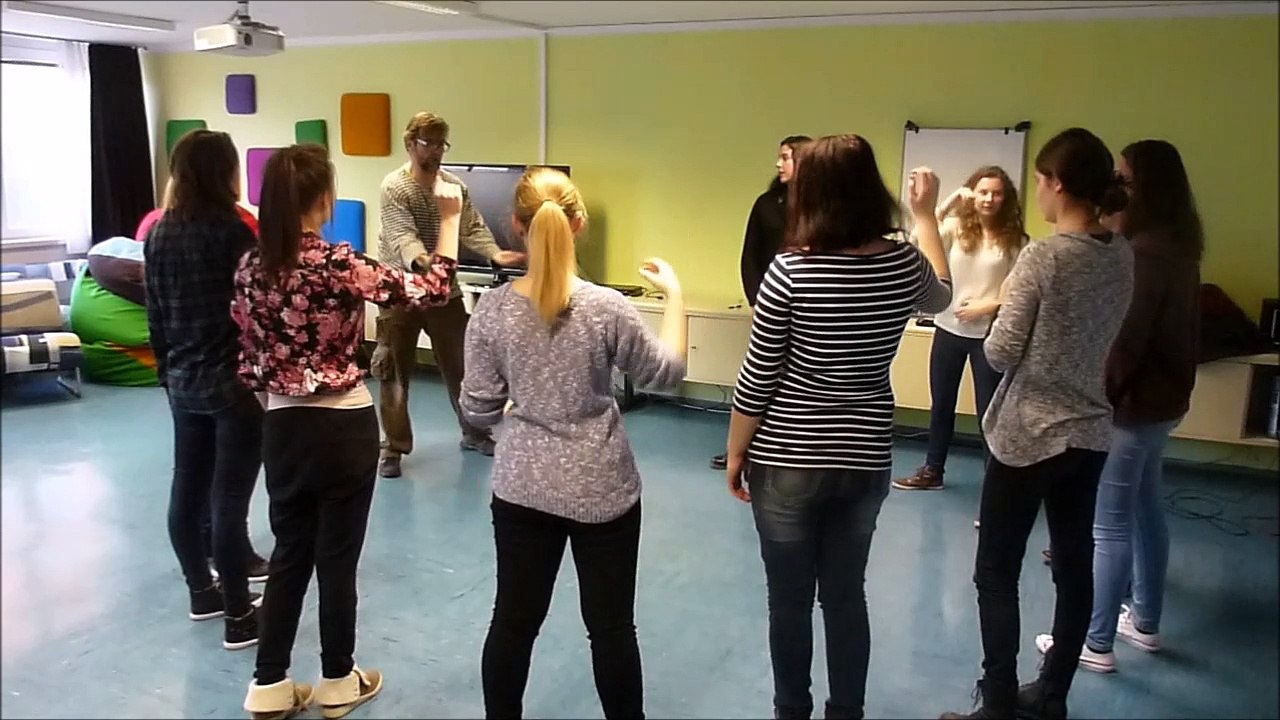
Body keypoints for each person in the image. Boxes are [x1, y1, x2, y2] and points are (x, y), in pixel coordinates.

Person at [725, 134, 953, 720]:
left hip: (788, 457)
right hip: (864, 457)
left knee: (789, 602)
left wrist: (735, 452)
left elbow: (758, 376)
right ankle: (846, 711)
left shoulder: (790, 270)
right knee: (847, 597)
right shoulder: (903, 263)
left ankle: (791, 710)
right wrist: (926, 217)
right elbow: (943, 297)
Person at [234, 144, 459, 720]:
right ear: (322, 199)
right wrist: (450, 221)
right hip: (342, 424)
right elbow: (433, 290)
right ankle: (337, 679)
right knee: (337, 557)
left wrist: (278, 405)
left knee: (289, 552)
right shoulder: (338, 263)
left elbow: (249, 359)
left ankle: (268, 683)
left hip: (281, 425)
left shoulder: (249, 267)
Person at [459, 167, 686, 719]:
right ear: (578, 224)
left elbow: (477, 409)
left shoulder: (492, 309)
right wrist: (676, 295)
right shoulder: (608, 307)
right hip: (602, 489)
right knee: (611, 629)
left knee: (513, 621)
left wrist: (516, 411)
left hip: (522, 489)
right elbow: (667, 373)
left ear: (515, 226)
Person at [941, 127, 1133, 720]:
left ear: (1056, 184)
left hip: (1028, 434)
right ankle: (1052, 696)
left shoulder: (1044, 257)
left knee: (996, 571)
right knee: (1073, 567)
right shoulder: (1120, 253)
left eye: (1042, 181)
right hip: (1090, 430)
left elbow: (999, 352)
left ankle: (998, 703)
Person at [1033, 139, 1202, 674]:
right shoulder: (1176, 246)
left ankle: (1096, 641)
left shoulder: (1142, 256)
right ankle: (1144, 621)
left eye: (1125, 178)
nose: (1116, 186)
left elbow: (1126, 343)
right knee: (1146, 510)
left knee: (1108, 525)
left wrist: (1098, 398)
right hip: (1162, 403)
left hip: (1130, 408)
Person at [144, 129, 264, 650]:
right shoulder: (233, 233)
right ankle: (240, 616)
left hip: (182, 381)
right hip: (232, 384)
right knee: (229, 501)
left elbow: (154, 314)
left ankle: (203, 592)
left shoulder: (158, 233)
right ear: (224, 172)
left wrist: (166, 373)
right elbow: (255, 313)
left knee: (187, 490)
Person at [371, 111, 526, 479]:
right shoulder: (395, 187)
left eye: (442, 144)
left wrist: (494, 253)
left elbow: (471, 227)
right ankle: (393, 447)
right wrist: (429, 262)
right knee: (394, 372)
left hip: (444, 292)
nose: (437, 151)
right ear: (410, 144)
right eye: (430, 143)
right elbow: (402, 238)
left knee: (463, 366)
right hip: (400, 291)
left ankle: (474, 432)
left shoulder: (453, 187)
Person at [894, 166, 1027, 493]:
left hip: (988, 337)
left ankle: (996, 485)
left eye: (996, 193)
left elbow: (1021, 291)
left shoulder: (1018, 242)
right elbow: (918, 240)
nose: (989, 199)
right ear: (972, 194)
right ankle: (932, 471)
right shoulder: (954, 228)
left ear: (1006, 198)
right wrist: (950, 201)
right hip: (947, 329)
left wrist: (987, 306)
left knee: (988, 413)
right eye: (983, 192)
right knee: (941, 406)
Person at [711, 134, 811, 471]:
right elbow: (750, 257)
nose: (778, 164)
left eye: (786, 157)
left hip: (810, 308)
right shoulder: (767, 204)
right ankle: (743, 446)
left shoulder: (825, 209)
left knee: (796, 379)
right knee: (760, 375)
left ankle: (792, 444)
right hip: (770, 304)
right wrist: (757, 302)